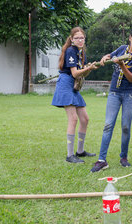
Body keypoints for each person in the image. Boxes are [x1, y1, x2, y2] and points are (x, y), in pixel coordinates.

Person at [90, 27, 132, 172]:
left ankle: (123, 157)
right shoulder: (122, 49)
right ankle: (102, 160)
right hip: (115, 92)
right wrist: (105, 57)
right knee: (108, 125)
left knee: (126, 127)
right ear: (130, 38)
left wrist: (122, 65)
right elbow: (111, 55)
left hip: (130, 94)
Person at [52, 27, 98, 163]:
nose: (80, 40)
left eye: (82, 38)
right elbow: (74, 73)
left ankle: (80, 151)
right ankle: (70, 155)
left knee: (84, 119)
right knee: (73, 119)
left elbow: (82, 73)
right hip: (66, 84)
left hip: (73, 86)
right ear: (72, 39)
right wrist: (88, 68)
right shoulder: (71, 50)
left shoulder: (81, 52)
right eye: (77, 38)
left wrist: (89, 68)